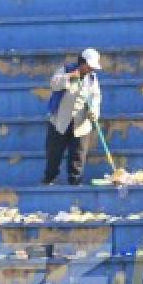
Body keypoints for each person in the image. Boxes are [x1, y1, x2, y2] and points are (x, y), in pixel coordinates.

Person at [42, 48, 102, 185]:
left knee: (78, 156)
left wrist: (94, 111)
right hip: (60, 121)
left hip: (81, 124)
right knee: (53, 153)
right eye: (90, 66)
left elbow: (96, 97)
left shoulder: (92, 79)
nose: (92, 69)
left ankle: (75, 182)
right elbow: (54, 84)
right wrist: (69, 76)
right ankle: (49, 179)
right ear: (83, 63)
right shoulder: (65, 69)